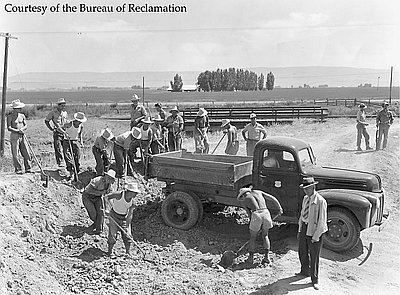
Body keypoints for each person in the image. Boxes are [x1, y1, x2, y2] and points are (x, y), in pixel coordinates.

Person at [237, 186, 283, 265]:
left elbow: (250, 215)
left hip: (256, 214)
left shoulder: (244, 200)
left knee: (253, 237)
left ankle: (251, 259)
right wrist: (279, 208)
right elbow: (272, 198)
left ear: (243, 195)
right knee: (265, 235)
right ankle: (267, 257)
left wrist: (255, 227)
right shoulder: (259, 192)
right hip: (266, 212)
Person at [297, 176, 328, 291]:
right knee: (302, 251)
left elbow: (322, 221)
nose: (306, 191)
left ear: (313, 187)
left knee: (314, 255)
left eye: (308, 188)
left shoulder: (320, 201)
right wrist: (300, 229)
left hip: (315, 230)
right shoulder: (306, 198)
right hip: (305, 227)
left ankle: (315, 280)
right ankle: (304, 271)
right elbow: (302, 215)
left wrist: (316, 236)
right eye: (304, 189)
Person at [104, 181, 141, 256]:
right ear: (130, 191)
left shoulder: (133, 202)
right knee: (112, 236)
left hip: (123, 218)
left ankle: (128, 252)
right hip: (113, 216)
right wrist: (107, 209)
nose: (136, 195)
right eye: (135, 193)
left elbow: (130, 215)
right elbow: (106, 197)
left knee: (127, 236)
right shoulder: (119, 195)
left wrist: (127, 227)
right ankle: (109, 252)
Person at [82, 169, 116, 235]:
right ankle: (95, 225)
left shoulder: (109, 187)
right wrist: (100, 192)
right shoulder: (97, 180)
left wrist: (110, 209)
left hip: (97, 198)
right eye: (108, 177)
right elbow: (88, 190)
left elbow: (108, 198)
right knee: (94, 215)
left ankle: (99, 230)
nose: (109, 179)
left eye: (111, 178)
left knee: (101, 213)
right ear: (105, 176)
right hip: (87, 197)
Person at [6, 99, 32, 174]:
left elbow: (25, 125)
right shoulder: (10, 117)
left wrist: (22, 129)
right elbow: (9, 127)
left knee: (26, 151)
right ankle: (18, 169)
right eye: (19, 108)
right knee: (15, 153)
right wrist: (17, 131)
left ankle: (28, 168)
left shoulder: (22, 116)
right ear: (15, 109)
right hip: (14, 136)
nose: (20, 109)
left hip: (22, 135)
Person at [44, 98, 68, 168]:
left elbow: (66, 122)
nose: (63, 107)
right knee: (58, 148)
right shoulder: (53, 113)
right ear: (58, 105)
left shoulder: (65, 113)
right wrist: (51, 128)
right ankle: (60, 162)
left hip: (64, 132)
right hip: (57, 132)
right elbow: (46, 121)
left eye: (64, 105)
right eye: (62, 106)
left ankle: (67, 162)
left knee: (66, 148)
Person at [62, 112, 86, 180]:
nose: (80, 122)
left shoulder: (81, 126)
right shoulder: (69, 124)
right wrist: (65, 133)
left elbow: (80, 134)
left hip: (75, 141)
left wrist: (81, 142)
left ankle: (76, 173)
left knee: (77, 157)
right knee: (67, 155)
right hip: (67, 141)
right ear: (76, 120)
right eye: (79, 121)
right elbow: (60, 128)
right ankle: (71, 172)